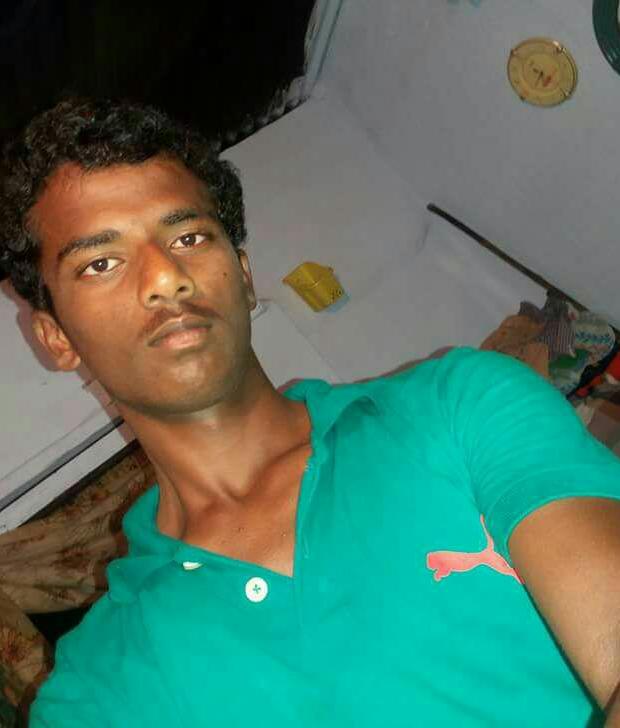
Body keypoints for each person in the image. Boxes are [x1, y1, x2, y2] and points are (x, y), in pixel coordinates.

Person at [1, 98, 620, 727]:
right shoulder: (97, 692)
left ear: (244, 276)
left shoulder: (463, 404)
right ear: (57, 338)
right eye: (101, 263)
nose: (165, 276)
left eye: (188, 237)